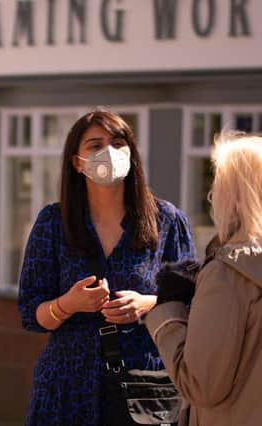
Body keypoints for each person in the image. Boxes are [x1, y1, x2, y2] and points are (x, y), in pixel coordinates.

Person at [17, 109, 196, 425]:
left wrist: (147, 304)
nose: (108, 153)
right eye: (95, 145)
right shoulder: (53, 223)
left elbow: (193, 302)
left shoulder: (167, 221)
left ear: (131, 151)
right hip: (68, 388)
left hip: (145, 383)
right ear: (77, 162)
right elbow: (31, 314)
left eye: (117, 142)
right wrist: (67, 305)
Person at [147, 132, 262, 426]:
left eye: (218, 182)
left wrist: (169, 314)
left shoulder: (228, 273)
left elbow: (201, 385)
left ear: (233, 194)